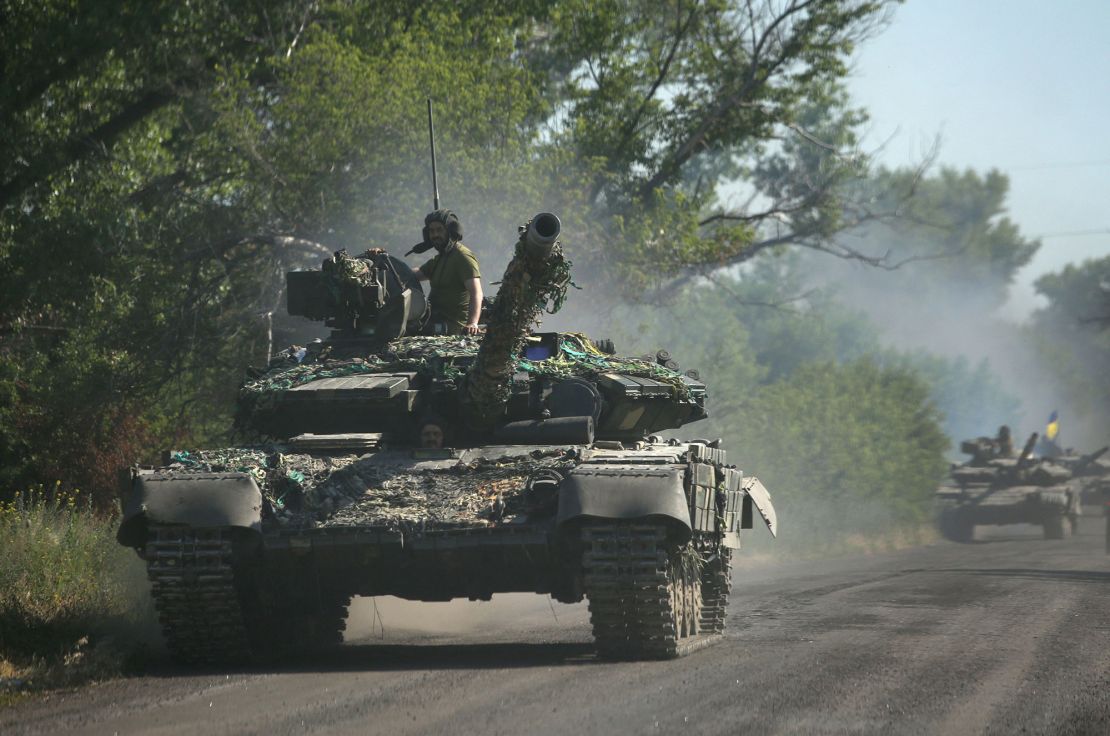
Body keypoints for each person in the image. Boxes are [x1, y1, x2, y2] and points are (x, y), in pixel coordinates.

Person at [409, 209, 483, 335]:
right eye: (431, 231)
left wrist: (472, 323)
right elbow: (415, 275)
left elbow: (476, 292)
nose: (435, 235)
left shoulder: (463, 257)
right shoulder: (441, 258)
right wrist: (385, 264)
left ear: (451, 231)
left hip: (453, 328)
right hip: (432, 322)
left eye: (439, 230)